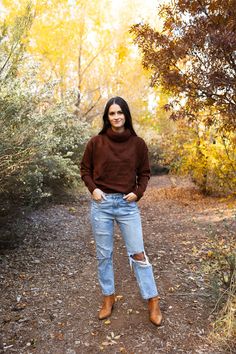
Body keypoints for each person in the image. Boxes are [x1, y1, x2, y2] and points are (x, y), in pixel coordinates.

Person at [80, 96, 162, 326]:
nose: (116, 117)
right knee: (103, 255)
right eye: (112, 113)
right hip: (102, 205)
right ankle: (108, 298)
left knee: (138, 254)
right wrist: (93, 189)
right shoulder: (96, 142)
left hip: (127, 206)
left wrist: (138, 192)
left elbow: (145, 173)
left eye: (120, 113)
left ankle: (153, 300)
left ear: (126, 115)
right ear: (107, 117)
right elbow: (85, 169)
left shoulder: (138, 144)